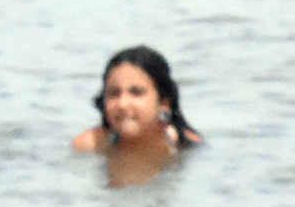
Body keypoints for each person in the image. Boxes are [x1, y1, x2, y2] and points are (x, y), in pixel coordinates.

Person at [72, 45, 202, 161]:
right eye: (113, 93)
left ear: (163, 102)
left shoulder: (187, 146)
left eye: (136, 93)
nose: (122, 104)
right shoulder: (90, 146)